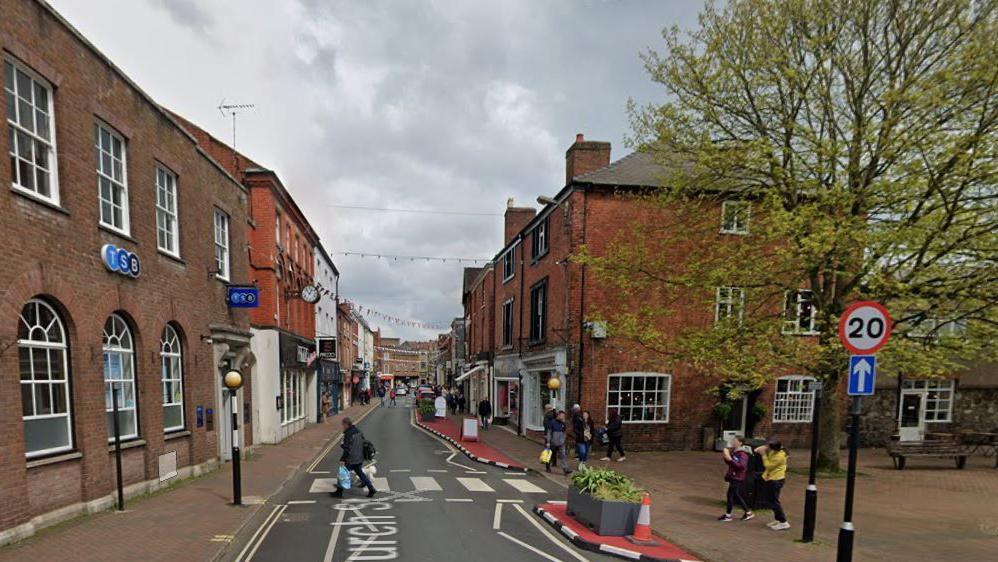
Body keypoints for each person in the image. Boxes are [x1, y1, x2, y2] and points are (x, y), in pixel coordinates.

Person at [330, 417, 377, 498]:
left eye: (343, 425)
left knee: (342, 473)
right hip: (359, 457)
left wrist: (343, 458)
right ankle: (371, 489)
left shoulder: (348, 434)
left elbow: (347, 448)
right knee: (360, 473)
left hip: (351, 458)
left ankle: (339, 492)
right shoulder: (359, 431)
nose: (342, 426)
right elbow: (363, 443)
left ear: (346, 424)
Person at [718, 435, 754, 522]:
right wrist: (726, 456)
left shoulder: (743, 453)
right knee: (733, 495)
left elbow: (741, 466)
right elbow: (731, 463)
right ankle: (744, 513)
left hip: (737, 477)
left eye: (735, 440)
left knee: (732, 495)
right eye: (733, 440)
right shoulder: (736, 452)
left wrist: (729, 458)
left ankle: (731, 515)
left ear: (740, 443)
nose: (732, 442)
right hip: (734, 476)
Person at [755, 439, 789, 530]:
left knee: (773, 501)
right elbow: (760, 448)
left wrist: (763, 455)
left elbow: (768, 465)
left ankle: (783, 522)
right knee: (772, 500)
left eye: (769, 447)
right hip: (770, 478)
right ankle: (778, 519)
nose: (767, 448)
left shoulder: (780, 456)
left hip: (776, 480)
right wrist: (762, 448)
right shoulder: (775, 450)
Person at [545, 410, 572, 475]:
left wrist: (563, 439)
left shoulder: (563, 424)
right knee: (550, 456)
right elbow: (549, 432)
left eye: (564, 416)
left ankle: (566, 469)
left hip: (561, 443)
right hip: (553, 442)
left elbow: (564, 432)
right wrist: (548, 442)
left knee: (563, 455)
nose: (563, 417)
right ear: (558, 415)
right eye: (562, 416)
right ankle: (548, 467)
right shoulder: (552, 422)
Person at [542, 404, 557, 472]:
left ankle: (548, 465)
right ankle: (554, 462)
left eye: (546, 409)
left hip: (549, 435)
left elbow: (546, 425)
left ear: (547, 409)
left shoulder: (548, 415)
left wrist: (546, 434)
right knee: (553, 449)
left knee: (548, 449)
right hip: (554, 435)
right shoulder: (554, 414)